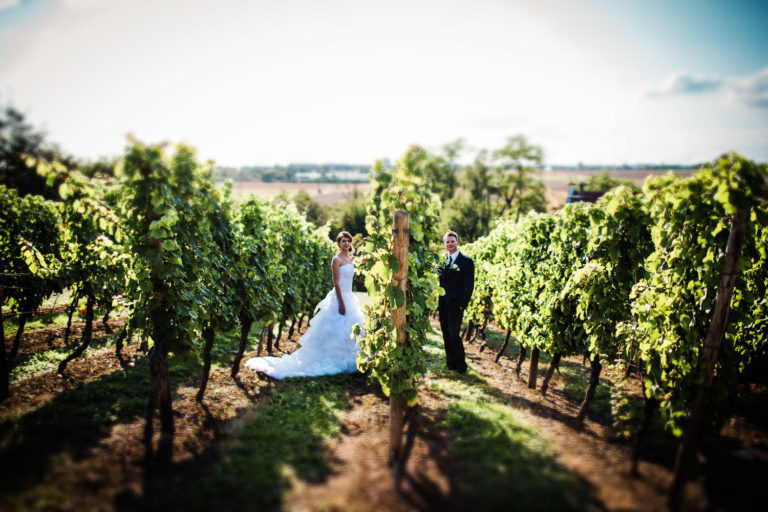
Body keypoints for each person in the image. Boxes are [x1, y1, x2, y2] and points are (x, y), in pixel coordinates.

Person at [245, 231, 364, 379]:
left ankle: (349, 359)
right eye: (343, 241)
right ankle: (333, 359)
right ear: (338, 243)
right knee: (335, 329)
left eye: (348, 241)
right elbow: (337, 283)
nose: (346, 243)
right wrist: (341, 302)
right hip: (340, 297)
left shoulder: (350, 259)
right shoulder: (336, 259)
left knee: (351, 328)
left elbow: (356, 265)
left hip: (350, 297)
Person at [438, 230, 474, 373]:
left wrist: (461, 305)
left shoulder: (466, 262)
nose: (450, 244)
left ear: (457, 242)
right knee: (446, 335)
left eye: (452, 241)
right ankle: (450, 363)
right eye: (447, 241)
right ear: (445, 244)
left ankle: (461, 366)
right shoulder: (442, 261)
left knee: (454, 335)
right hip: (442, 305)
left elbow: (469, 285)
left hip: (455, 306)